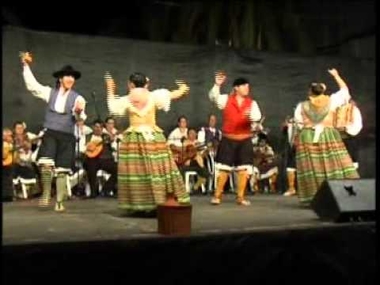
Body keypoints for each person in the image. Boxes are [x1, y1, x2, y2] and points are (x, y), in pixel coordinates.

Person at [105, 71, 190, 216]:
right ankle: (161, 201)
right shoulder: (155, 96)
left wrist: (110, 89)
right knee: (158, 169)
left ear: (130, 84)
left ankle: (140, 204)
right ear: (146, 83)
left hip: (135, 137)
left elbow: (113, 108)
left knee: (137, 171)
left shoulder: (127, 99)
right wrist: (182, 86)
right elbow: (178, 93)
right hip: (153, 137)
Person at [20, 52, 87, 212]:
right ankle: (46, 193)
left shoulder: (78, 98)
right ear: (60, 79)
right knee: (46, 164)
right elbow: (33, 86)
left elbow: (80, 117)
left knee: (62, 170)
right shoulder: (50, 93)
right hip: (51, 132)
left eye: (72, 77)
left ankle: (59, 201)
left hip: (66, 136)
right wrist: (25, 66)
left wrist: (78, 112)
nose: (70, 79)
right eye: (67, 76)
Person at [293, 68, 359, 205]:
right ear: (323, 90)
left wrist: (307, 127)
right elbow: (345, 91)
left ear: (309, 92)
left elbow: (298, 123)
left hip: (308, 136)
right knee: (334, 164)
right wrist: (336, 76)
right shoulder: (333, 101)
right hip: (328, 134)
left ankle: (314, 197)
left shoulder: (302, 106)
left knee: (312, 167)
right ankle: (340, 195)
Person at [208, 72, 262, 206]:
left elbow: (256, 118)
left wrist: (254, 122)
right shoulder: (226, 99)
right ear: (236, 88)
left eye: (248, 86)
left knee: (244, 169)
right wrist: (217, 85)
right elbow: (213, 98)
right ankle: (217, 195)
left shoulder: (252, 103)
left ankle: (240, 197)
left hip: (244, 140)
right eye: (244, 86)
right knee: (224, 168)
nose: (247, 88)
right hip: (228, 139)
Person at [334, 99, 363, 170]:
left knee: (351, 149)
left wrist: (346, 128)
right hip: (338, 135)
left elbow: (357, 122)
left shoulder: (354, 110)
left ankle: (353, 166)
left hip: (349, 135)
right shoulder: (336, 108)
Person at [281, 116, 297, 196]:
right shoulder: (291, 123)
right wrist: (286, 125)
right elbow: (284, 131)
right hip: (291, 148)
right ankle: (291, 188)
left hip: (304, 146)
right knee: (290, 168)